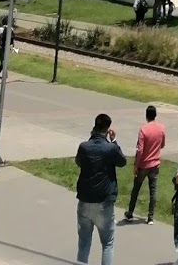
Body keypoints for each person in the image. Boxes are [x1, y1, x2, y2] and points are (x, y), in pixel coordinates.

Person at [75, 112, 125, 263]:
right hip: (104, 202)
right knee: (107, 243)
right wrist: (114, 141)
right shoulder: (110, 148)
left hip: (85, 200)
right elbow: (122, 162)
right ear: (108, 129)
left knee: (84, 243)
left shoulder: (84, 147)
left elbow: (79, 162)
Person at [124, 104, 166, 224]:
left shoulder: (143, 129)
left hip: (143, 165)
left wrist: (136, 165)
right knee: (153, 190)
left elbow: (140, 150)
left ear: (146, 115)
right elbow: (162, 145)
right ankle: (150, 217)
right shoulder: (161, 128)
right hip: (155, 164)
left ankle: (130, 212)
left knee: (136, 189)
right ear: (155, 115)